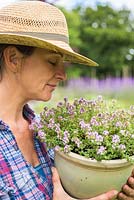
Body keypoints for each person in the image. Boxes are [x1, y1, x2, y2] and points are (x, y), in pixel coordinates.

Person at [0, 1, 133, 200]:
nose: (63, 75)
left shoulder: (44, 129)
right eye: (52, 61)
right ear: (13, 59)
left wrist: (115, 191)